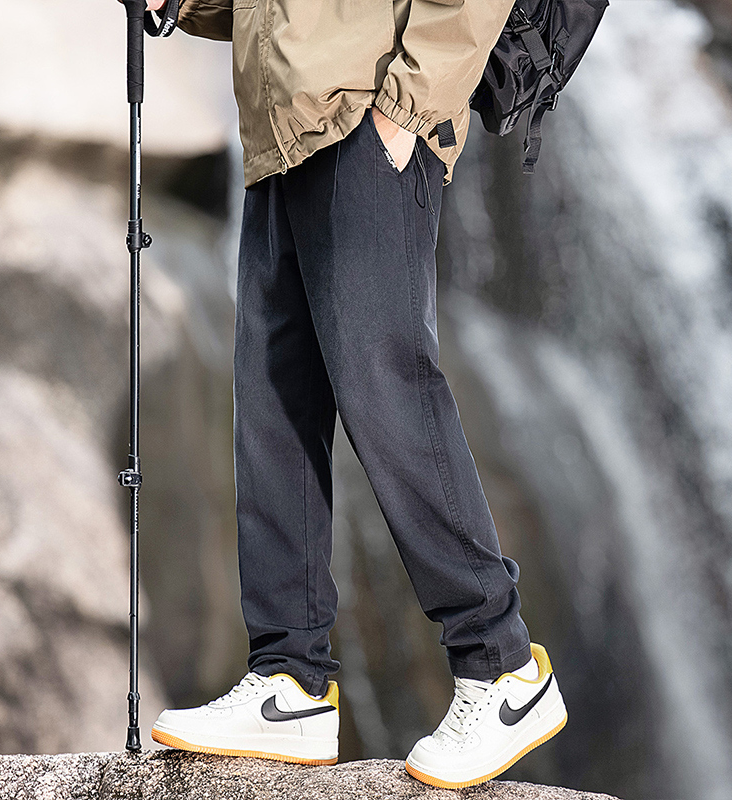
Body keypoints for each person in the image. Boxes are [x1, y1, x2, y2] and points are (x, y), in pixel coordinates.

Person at [137, 0, 568, 787]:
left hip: (370, 109)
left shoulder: (393, 115)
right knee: (273, 399)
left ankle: (503, 667)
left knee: (384, 382)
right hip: (283, 125)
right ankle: (289, 679)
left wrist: (409, 108)